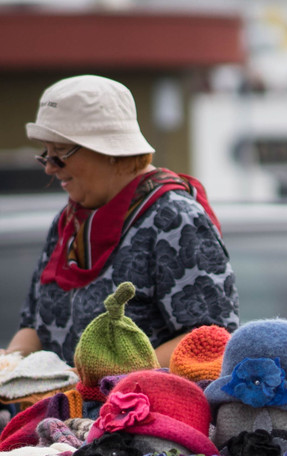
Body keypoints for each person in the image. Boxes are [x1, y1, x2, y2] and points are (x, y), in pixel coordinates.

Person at [1, 75, 239, 367]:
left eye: (61, 152)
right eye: (46, 153)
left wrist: (106, 379)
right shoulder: (69, 221)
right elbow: (33, 325)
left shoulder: (173, 218)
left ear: (111, 152)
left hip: (139, 410)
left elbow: (210, 339)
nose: (50, 167)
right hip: (64, 410)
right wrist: (12, 366)